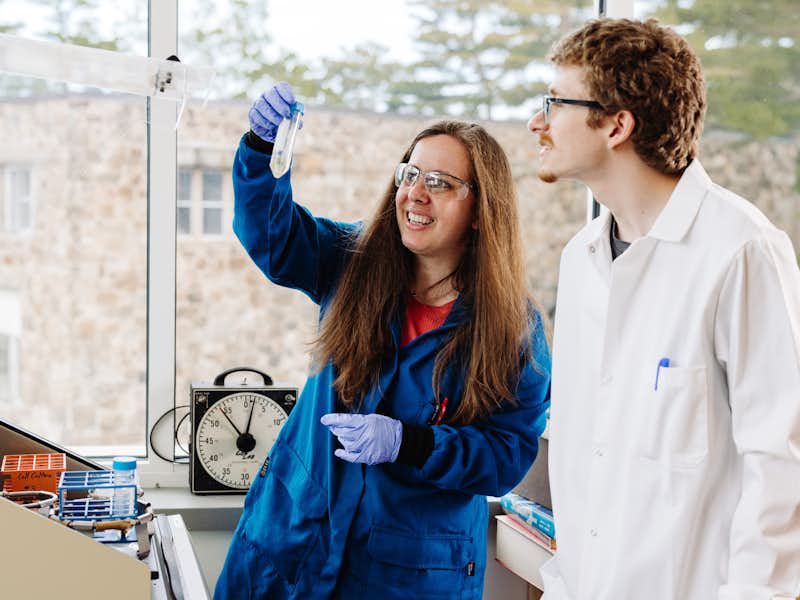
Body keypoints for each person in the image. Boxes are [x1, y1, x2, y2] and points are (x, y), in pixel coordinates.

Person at [214, 82, 551, 600]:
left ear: (481, 208)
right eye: (409, 174)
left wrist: (409, 442)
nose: (415, 193)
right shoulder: (351, 262)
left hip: (407, 573)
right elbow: (271, 236)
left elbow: (507, 456)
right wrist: (263, 151)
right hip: (294, 541)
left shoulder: (511, 329)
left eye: (438, 182)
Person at [528, 17, 800, 600]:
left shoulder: (742, 251)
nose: (537, 122)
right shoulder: (582, 258)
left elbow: (782, 460)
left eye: (553, 103)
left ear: (616, 125)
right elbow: (582, 450)